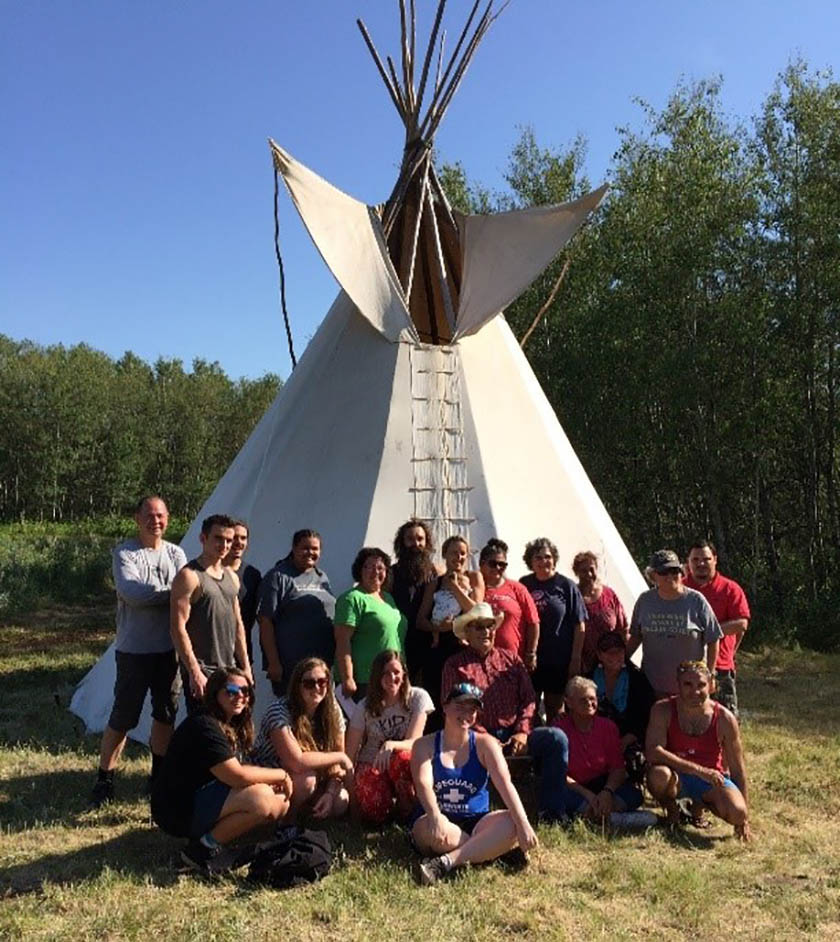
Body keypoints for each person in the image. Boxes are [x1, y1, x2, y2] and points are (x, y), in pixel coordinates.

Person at [89, 495, 187, 807]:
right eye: (149, 515)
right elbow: (133, 593)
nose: (155, 521)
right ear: (137, 518)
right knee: (124, 715)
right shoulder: (125, 553)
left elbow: (190, 590)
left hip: (168, 649)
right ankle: (105, 778)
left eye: (160, 515)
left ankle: (157, 776)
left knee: (165, 712)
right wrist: (175, 594)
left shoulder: (176, 553)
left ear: (168, 518)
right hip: (135, 650)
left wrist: (176, 594)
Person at [150, 668, 293, 875]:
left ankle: (216, 835)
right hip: (178, 809)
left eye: (245, 691)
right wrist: (281, 774)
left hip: (204, 794)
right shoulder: (204, 725)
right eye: (231, 691)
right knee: (261, 800)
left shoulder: (230, 722)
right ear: (215, 693)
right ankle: (201, 849)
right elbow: (236, 776)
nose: (240, 697)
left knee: (280, 802)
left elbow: (238, 770)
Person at [440, 602, 572, 823]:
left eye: (490, 626)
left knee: (555, 739)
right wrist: (484, 737)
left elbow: (529, 699)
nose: (486, 632)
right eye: (479, 627)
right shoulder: (454, 666)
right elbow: (453, 709)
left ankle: (552, 813)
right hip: (476, 737)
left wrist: (522, 731)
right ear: (467, 633)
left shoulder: (511, 660)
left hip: (516, 733)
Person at [410, 681, 538, 885]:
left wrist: (523, 824)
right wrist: (434, 816)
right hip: (438, 819)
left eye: (472, 710)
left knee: (511, 822)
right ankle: (490, 852)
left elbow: (505, 784)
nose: (466, 714)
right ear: (445, 707)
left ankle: (445, 862)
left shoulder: (485, 744)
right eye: (460, 706)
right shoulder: (424, 745)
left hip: (477, 822)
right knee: (431, 831)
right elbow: (423, 784)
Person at [646, 660, 751, 841]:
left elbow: (737, 769)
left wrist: (744, 820)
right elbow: (653, 751)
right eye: (688, 684)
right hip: (677, 777)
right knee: (658, 776)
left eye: (701, 685)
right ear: (677, 683)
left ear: (711, 686)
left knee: (738, 813)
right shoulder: (662, 710)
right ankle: (673, 811)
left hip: (713, 780)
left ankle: (699, 806)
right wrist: (700, 771)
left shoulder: (725, 718)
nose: (694, 692)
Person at [170, 514, 253, 715]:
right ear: (203, 538)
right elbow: (177, 628)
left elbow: (238, 626)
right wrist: (194, 672)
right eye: (218, 538)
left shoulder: (232, 577)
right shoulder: (189, 576)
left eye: (228, 540)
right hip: (204, 670)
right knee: (205, 730)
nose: (224, 545)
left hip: (229, 670)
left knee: (229, 728)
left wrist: (246, 667)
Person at [251, 657, 351, 820]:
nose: (316, 688)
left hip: (312, 775)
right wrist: (340, 756)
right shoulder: (279, 711)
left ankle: (306, 813)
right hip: (270, 776)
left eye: (322, 682)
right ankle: (286, 821)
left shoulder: (332, 710)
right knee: (306, 780)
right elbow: (296, 761)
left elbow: (337, 768)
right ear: (298, 686)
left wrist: (330, 793)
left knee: (341, 800)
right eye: (309, 683)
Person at [346, 649, 433, 824]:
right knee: (375, 812)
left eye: (396, 672)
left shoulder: (417, 697)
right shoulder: (364, 706)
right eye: (385, 673)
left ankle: (407, 810)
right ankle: (384, 814)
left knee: (402, 758)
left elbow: (414, 742)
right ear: (377, 676)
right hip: (372, 761)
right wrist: (351, 793)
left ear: (404, 674)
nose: (391, 677)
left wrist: (391, 745)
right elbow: (350, 751)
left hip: (402, 759)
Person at [627, 549, 722, 698]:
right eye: (664, 572)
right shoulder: (645, 601)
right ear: (653, 575)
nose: (670, 576)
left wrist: (710, 675)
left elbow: (713, 639)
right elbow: (636, 637)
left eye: (674, 571)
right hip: (652, 686)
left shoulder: (696, 601)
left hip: (690, 688)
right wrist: (620, 662)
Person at [551, 676, 644, 821]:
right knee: (557, 794)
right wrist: (588, 795)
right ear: (569, 703)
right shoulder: (558, 730)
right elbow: (558, 773)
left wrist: (607, 791)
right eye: (583, 700)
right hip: (574, 786)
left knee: (635, 795)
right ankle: (609, 816)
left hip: (601, 783)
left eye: (592, 699)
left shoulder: (608, 726)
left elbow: (618, 768)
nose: (589, 703)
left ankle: (594, 813)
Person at [257, 528, 335, 695]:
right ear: (294, 548)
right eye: (305, 548)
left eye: (315, 549)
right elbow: (265, 621)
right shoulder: (278, 576)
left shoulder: (322, 578)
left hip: (321, 665)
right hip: (290, 665)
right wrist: (273, 662)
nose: (310, 552)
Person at [416, 535, 484, 719]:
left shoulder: (474, 577)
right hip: (439, 649)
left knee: (464, 698)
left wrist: (454, 586)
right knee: (439, 700)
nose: (459, 557)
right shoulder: (435, 583)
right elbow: (420, 620)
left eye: (463, 554)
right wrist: (439, 629)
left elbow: (476, 610)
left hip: (464, 648)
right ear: (445, 555)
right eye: (454, 553)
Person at [520, 537, 587, 721]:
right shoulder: (524, 584)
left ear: (554, 559)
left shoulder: (566, 586)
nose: (544, 562)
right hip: (530, 658)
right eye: (538, 558)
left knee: (555, 709)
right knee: (527, 708)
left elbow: (579, 624)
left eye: (547, 557)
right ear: (531, 562)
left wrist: (575, 658)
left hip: (558, 658)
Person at [334, 547, 407, 709]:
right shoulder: (351, 599)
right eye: (369, 567)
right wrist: (348, 678)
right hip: (363, 682)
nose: (375, 572)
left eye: (380, 568)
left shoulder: (388, 599)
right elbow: (343, 641)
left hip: (390, 679)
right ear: (360, 570)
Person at [684, 540, 751, 717]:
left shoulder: (730, 589)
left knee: (725, 718)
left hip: (720, 667)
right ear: (688, 562)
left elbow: (741, 623)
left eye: (706, 559)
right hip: (685, 665)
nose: (700, 564)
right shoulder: (679, 588)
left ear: (715, 560)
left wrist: (709, 632)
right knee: (687, 718)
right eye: (695, 559)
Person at [591, 632, 655, 780]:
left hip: (629, 738)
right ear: (599, 655)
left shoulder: (638, 680)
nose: (614, 655)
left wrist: (625, 741)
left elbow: (645, 718)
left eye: (618, 651)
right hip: (594, 738)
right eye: (608, 651)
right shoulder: (587, 680)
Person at [389, 519, 439, 683]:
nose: (415, 543)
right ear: (402, 542)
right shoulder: (391, 574)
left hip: (430, 645)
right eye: (410, 539)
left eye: (420, 539)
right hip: (400, 643)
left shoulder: (436, 573)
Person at [479, 538, 539, 670]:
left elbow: (533, 622)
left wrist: (531, 653)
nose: (498, 568)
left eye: (502, 565)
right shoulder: (475, 589)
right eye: (493, 564)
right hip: (481, 662)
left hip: (512, 661)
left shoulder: (517, 588)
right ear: (482, 564)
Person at [572, 550, 629, 674]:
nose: (588, 574)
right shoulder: (572, 597)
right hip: (583, 665)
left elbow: (623, 628)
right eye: (583, 571)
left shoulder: (609, 594)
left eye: (592, 569)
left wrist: (623, 658)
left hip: (611, 663)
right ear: (576, 572)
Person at [224, 520, 261, 669]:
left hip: (242, 651)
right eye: (234, 537)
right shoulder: (208, 571)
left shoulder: (252, 575)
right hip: (212, 652)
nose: (238, 542)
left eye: (243, 538)